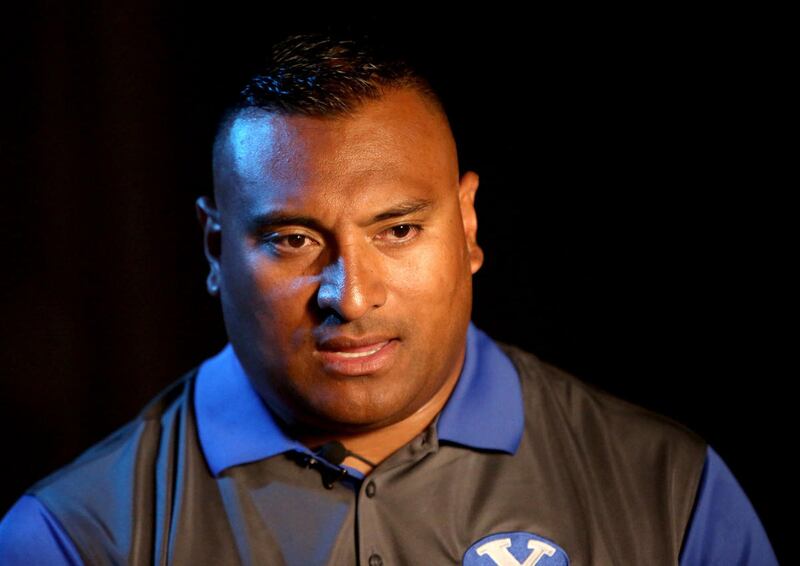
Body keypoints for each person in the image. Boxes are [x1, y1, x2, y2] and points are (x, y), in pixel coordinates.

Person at [0, 31, 779, 566]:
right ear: (214, 250)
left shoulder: (671, 492)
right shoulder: (74, 535)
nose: (352, 294)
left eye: (398, 229)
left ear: (468, 227)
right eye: (294, 240)